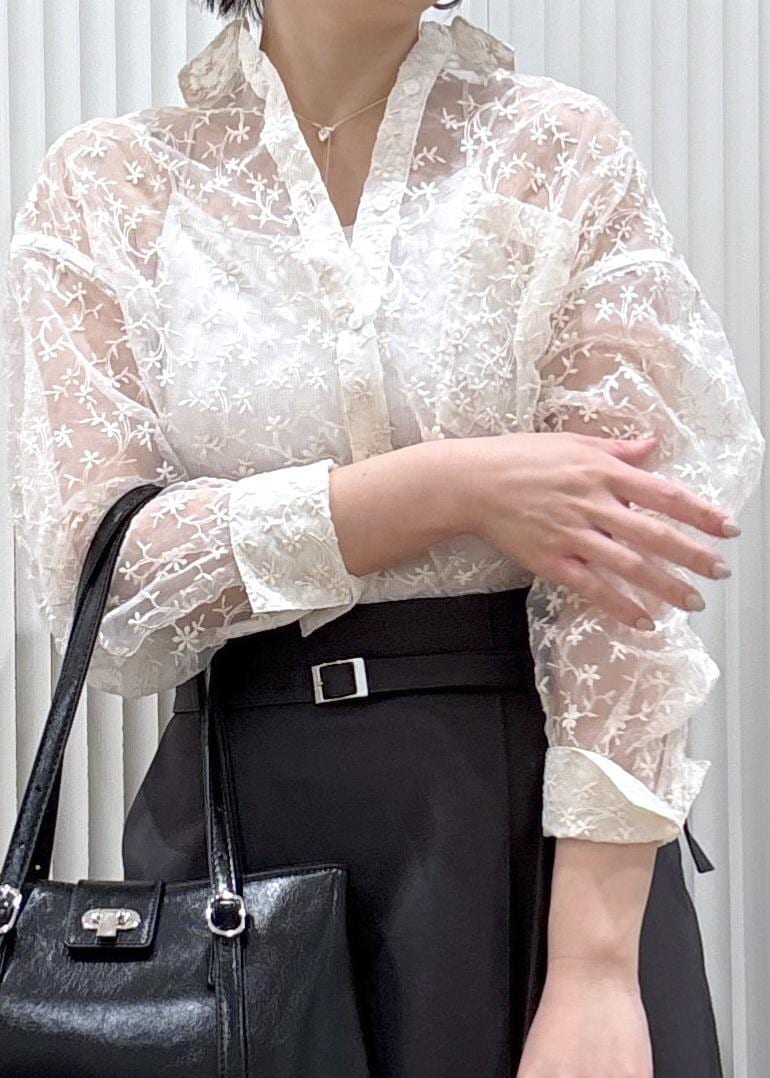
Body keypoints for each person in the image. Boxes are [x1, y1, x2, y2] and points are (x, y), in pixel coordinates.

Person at [1, 0, 764, 1075]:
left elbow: (621, 571)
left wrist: (594, 964)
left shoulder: (553, 150)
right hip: (241, 840)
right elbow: (102, 577)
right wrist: (443, 487)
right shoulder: (112, 184)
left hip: (539, 838)